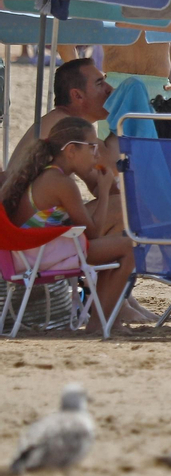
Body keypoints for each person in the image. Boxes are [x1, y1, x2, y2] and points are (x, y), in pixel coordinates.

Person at [0, 116, 134, 327]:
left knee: (117, 245)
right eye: (92, 148)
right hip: (37, 256)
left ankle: (105, 321)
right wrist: (105, 190)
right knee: (130, 246)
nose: (96, 155)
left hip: (28, 254)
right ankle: (100, 323)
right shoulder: (62, 183)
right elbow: (93, 234)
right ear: (71, 150)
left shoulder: (47, 174)